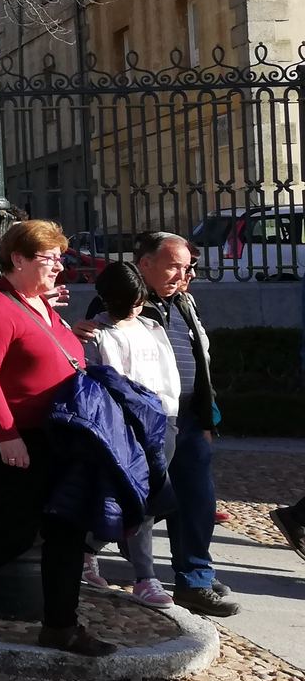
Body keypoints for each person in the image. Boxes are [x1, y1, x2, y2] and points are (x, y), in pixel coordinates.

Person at [0, 219, 118, 656]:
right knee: (16, 530)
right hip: (12, 434)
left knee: (67, 529)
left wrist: (73, 333)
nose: (58, 267)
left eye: (60, 258)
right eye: (49, 259)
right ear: (18, 258)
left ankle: (61, 625)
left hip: (53, 433)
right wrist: (7, 435)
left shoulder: (40, 304)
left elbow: (50, 353)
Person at [84, 231, 237, 617]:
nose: (182, 274)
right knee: (143, 498)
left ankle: (195, 577)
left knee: (197, 499)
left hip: (187, 418)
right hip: (143, 422)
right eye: (173, 265)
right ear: (145, 263)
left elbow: (201, 362)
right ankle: (92, 551)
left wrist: (207, 415)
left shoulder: (185, 303)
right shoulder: (122, 302)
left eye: (187, 267)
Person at [82, 261, 176, 607]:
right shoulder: (98, 334)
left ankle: (89, 548)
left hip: (162, 420)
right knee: (136, 500)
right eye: (130, 302)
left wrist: (170, 415)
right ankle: (144, 576)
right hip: (123, 426)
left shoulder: (151, 326)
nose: (136, 309)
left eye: (140, 301)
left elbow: (168, 375)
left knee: (153, 500)